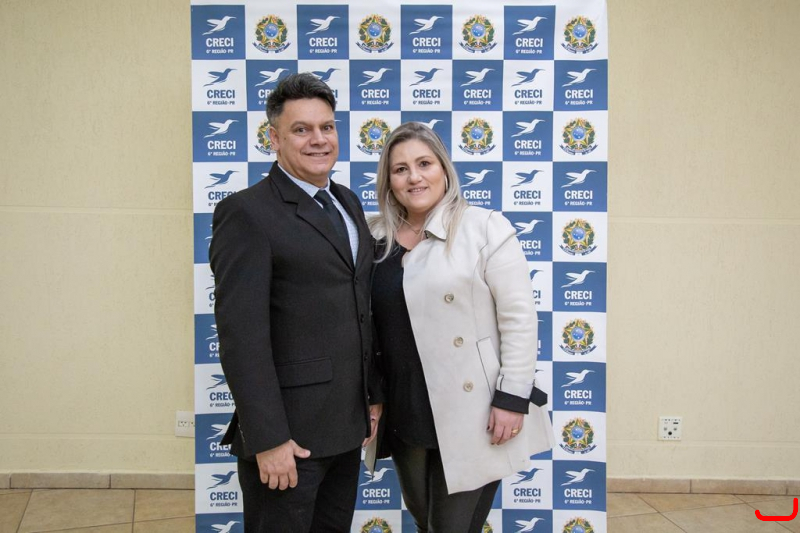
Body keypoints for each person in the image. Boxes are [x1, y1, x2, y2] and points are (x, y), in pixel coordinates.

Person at [209, 72, 382, 533]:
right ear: (274, 139)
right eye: (301, 129)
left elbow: (359, 308)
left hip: (346, 429)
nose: (318, 139)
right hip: (288, 439)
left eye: (327, 127)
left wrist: (372, 396)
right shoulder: (246, 212)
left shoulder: (347, 202)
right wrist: (268, 439)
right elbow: (241, 337)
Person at [367, 122, 553, 532]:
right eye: (400, 169)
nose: (414, 177)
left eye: (424, 164)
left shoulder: (483, 227)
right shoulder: (374, 236)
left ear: (444, 169)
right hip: (405, 405)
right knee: (426, 521)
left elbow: (519, 318)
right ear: (389, 180)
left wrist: (512, 398)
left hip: (474, 408)